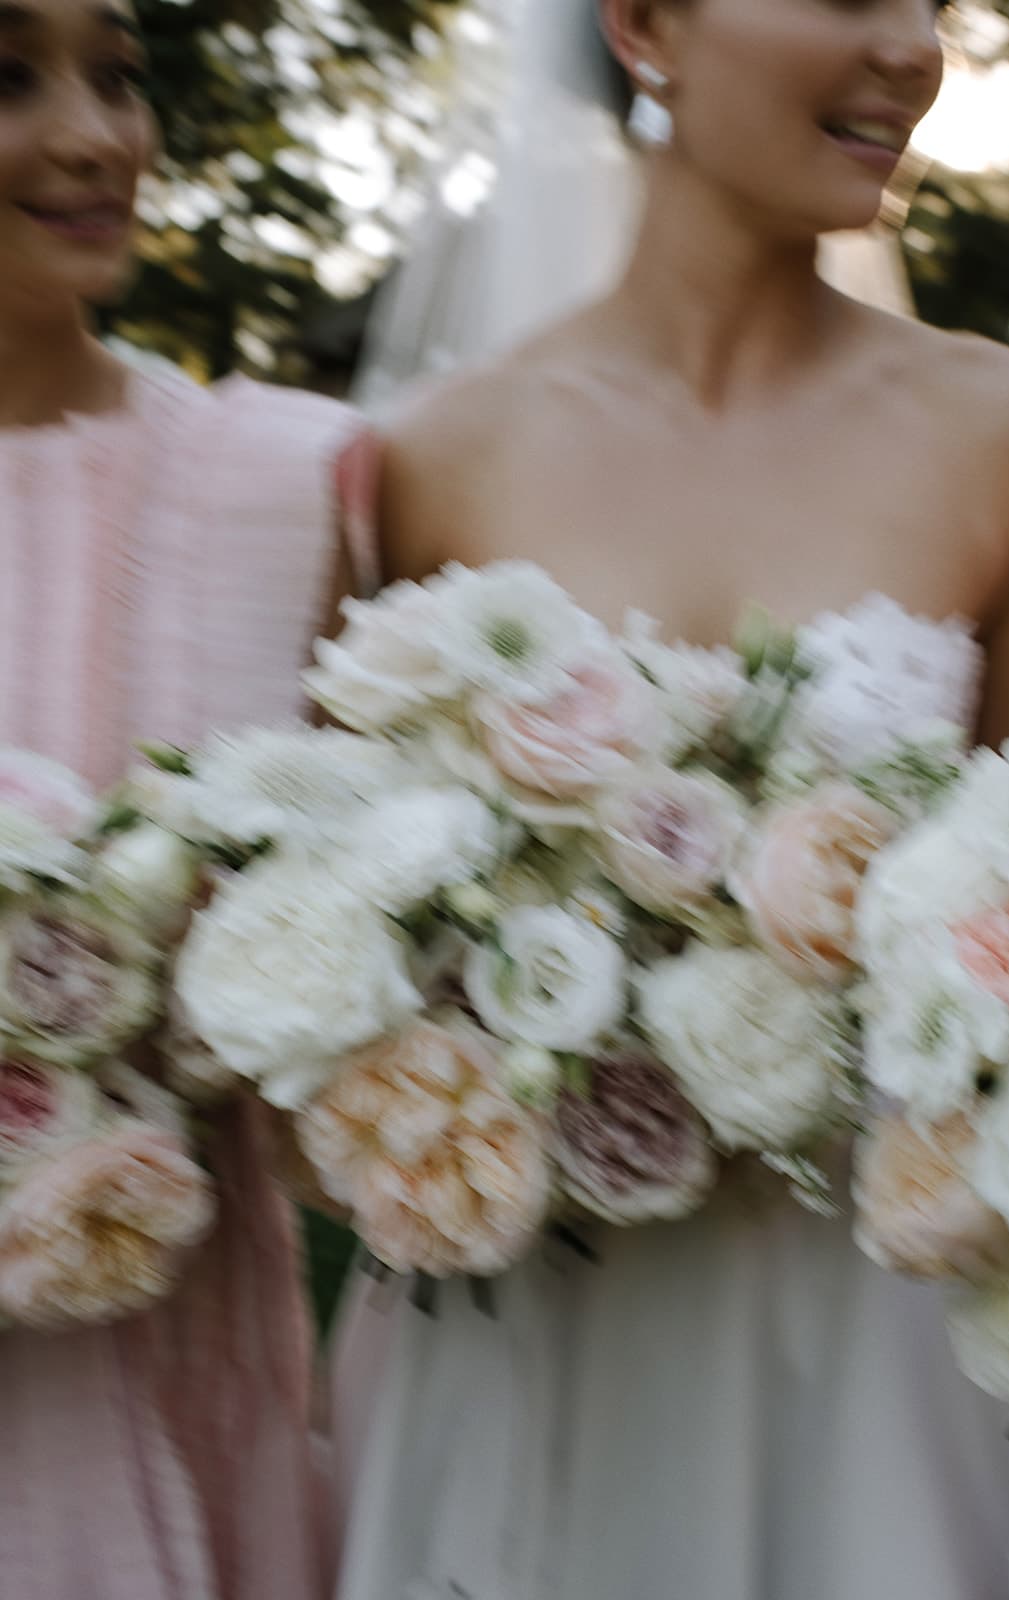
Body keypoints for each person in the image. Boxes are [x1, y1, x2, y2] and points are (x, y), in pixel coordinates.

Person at [330, 2, 1009, 1597]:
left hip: (877, 1338)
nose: (909, 50)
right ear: (648, 23)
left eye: (921, 2)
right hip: (554, 1320)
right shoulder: (431, 460)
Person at [0, 3, 376, 1595]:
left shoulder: (290, 486)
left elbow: (367, 1054)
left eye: (120, 72)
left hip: (190, 1414)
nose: (97, 136)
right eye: (8, 77)